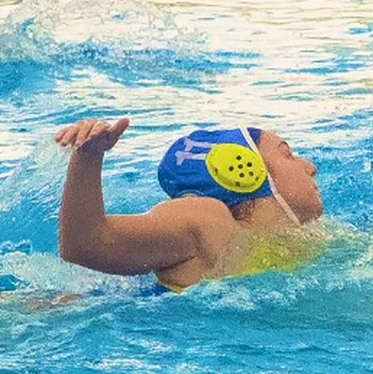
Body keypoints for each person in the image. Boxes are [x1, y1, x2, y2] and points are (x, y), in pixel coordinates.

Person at [55, 117, 323, 292]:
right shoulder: (206, 220)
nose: (309, 167)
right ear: (242, 169)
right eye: (288, 154)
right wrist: (89, 157)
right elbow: (86, 245)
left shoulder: (300, 237)